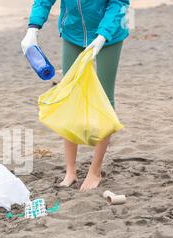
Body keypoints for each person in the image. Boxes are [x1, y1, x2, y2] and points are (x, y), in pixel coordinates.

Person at [21, 0, 130, 191]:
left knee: (105, 99)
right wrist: (32, 28)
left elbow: (119, 2)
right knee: (69, 96)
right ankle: (70, 171)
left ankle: (95, 171)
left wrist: (103, 36)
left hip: (109, 35)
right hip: (73, 34)